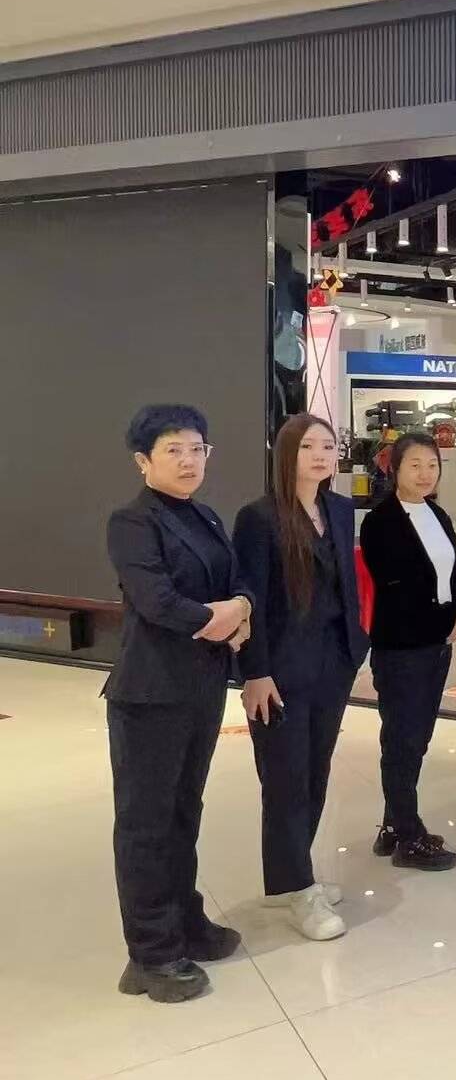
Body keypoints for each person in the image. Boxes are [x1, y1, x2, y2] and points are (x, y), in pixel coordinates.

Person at [105, 404, 252, 1004]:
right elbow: (157, 601)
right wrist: (222, 618)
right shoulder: (132, 522)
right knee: (147, 823)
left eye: (197, 449)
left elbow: (237, 582)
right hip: (150, 694)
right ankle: (150, 953)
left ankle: (185, 921)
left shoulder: (205, 515)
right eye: (174, 450)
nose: (190, 461)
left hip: (200, 687)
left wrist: (239, 607)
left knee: (184, 811)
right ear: (143, 461)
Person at [233, 414, 368, 943]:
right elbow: (252, 602)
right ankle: (296, 887)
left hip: (334, 662)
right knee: (285, 779)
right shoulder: (259, 518)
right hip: (281, 669)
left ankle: (295, 879)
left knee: (315, 772)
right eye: (309, 446)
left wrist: (357, 645)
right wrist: (255, 672)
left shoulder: (340, 508)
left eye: (328, 446)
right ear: (286, 453)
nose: (320, 455)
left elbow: (347, 586)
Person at [359, 431, 456, 869]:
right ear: (395, 469)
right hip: (402, 648)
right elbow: (397, 590)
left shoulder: (438, 514)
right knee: (402, 739)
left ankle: (395, 824)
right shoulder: (381, 522)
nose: (425, 474)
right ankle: (409, 836)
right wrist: (443, 622)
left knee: (417, 738)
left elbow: (455, 571)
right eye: (415, 465)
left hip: (436, 646)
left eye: (432, 465)